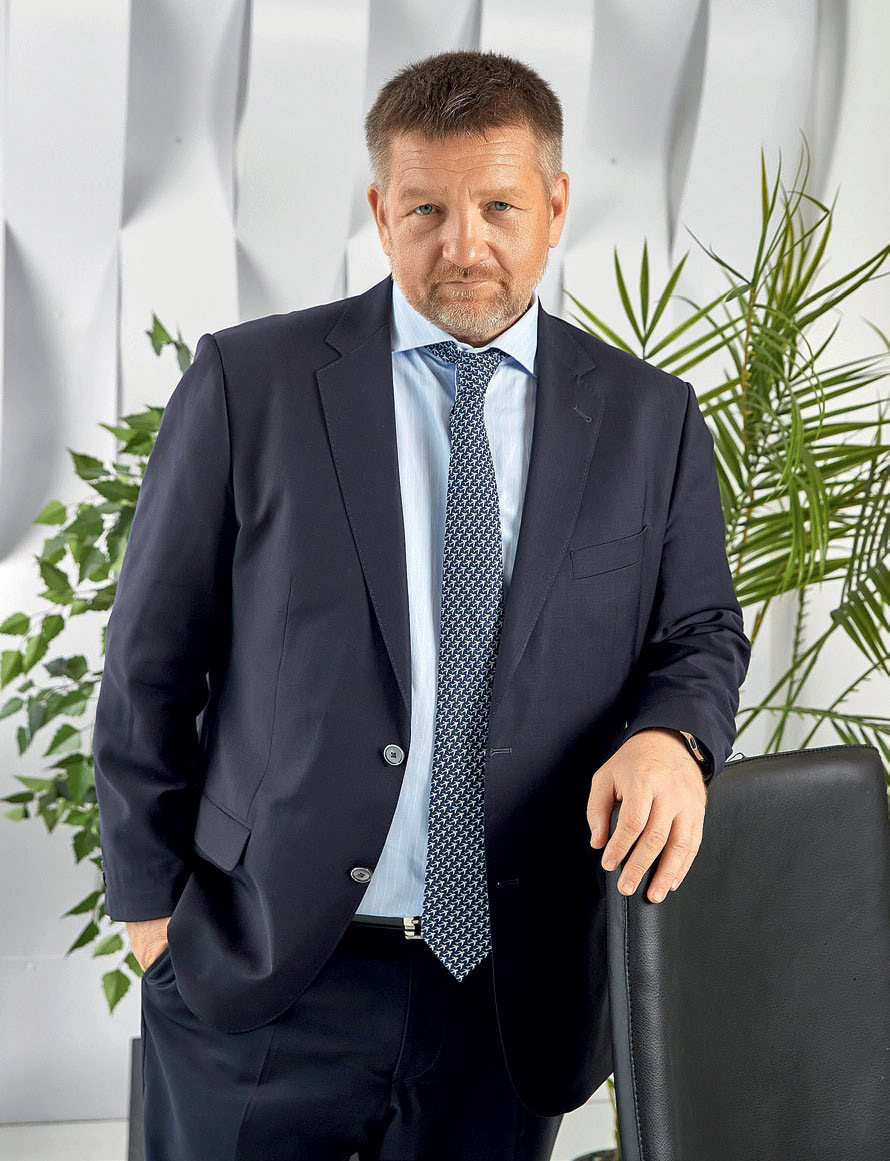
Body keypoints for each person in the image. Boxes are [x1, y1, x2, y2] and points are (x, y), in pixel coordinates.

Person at [93, 48, 751, 1161]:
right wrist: (152, 913)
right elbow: (151, 657)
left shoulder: (651, 420)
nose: (464, 245)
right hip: (265, 968)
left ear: (554, 207)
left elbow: (697, 631)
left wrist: (672, 737)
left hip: (508, 989)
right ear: (379, 213)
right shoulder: (250, 385)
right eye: (425, 210)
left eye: (498, 206)